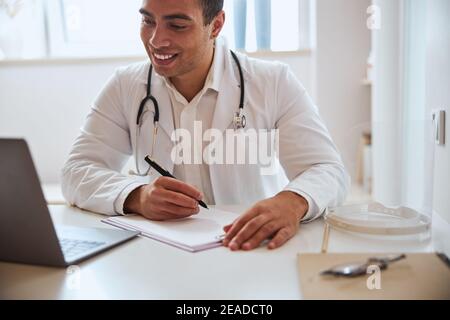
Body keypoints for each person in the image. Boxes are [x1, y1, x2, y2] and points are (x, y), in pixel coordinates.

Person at [62, 0, 350, 251]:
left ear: (215, 25)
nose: (156, 40)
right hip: (154, 254)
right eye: (148, 21)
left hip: (250, 248)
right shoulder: (126, 86)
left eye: (177, 25)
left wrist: (293, 201)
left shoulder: (273, 82)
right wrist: (137, 195)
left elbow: (328, 170)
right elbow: (76, 172)